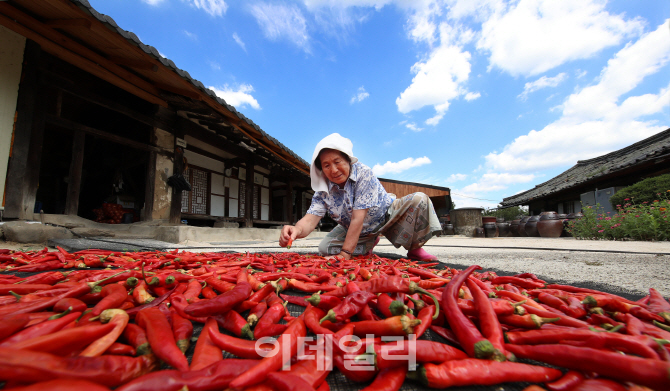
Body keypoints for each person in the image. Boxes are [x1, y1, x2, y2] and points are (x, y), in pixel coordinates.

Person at [279, 133, 442, 260]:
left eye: (338, 162)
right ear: (321, 169)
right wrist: (296, 230)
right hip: (356, 228)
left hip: (386, 215)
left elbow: (358, 218)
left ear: (348, 160)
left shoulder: (363, 174)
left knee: (419, 199)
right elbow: (310, 219)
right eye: (326, 165)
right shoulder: (323, 189)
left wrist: (345, 254)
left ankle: (414, 249)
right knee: (324, 248)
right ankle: (369, 242)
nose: (334, 170)